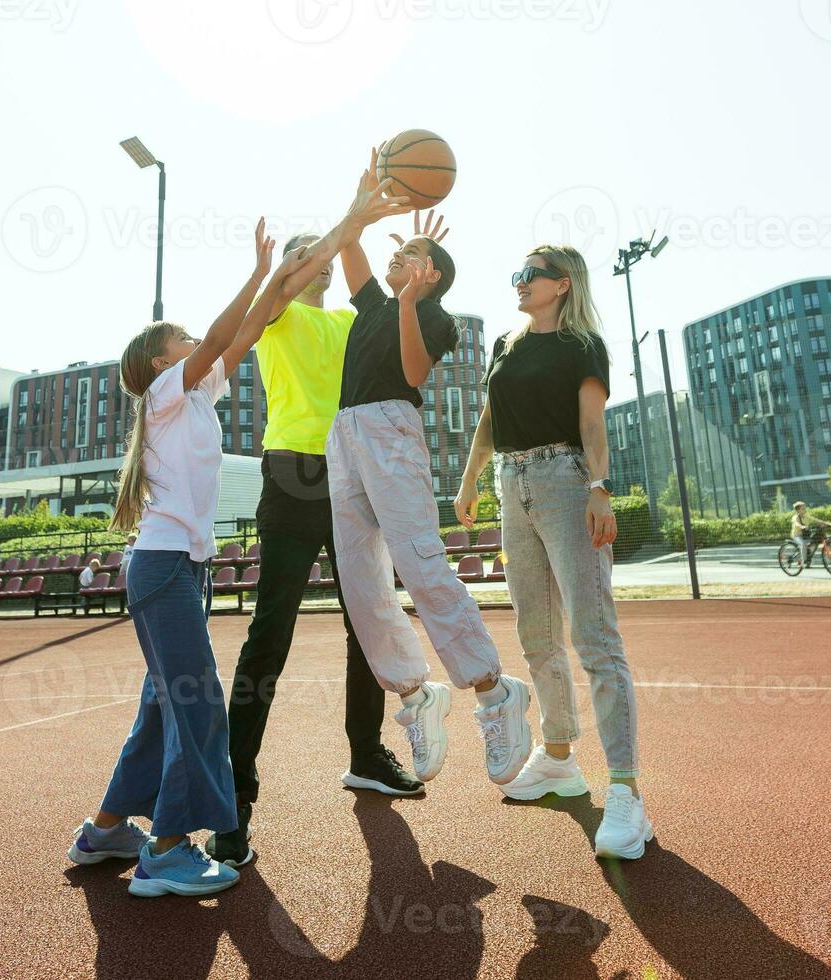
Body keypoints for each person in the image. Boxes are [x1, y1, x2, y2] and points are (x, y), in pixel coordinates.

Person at [67, 219, 316, 897]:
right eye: (178, 340)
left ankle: (108, 829)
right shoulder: (166, 394)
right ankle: (167, 851)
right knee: (197, 700)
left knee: (162, 706)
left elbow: (252, 329)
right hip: (164, 567)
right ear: (160, 361)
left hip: (182, 569)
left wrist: (285, 275)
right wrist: (257, 269)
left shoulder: (197, 395)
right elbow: (217, 337)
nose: (193, 346)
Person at [204, 190, 426, 868]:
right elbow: (285, 284)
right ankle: (234, 794)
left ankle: (365, 751)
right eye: (305, 255)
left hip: (352, 476)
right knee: (272, 628)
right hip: (294, 476)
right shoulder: (275, 317)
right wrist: (349, 221)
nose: (318, 262)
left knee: (369, 616)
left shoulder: (350, 323)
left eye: (320, 254)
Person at [326, 149, 531, 789]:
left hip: (391, 428)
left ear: (433, 274)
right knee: (360, 581)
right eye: (397, 249)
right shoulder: (369, 305)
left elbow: (414, 374)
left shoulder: (433, 317)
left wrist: (412, 302)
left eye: (412, 254)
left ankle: (494, 692)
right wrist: (361, 204)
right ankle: (416, 696)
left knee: (419, 560)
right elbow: (347, 246)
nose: (396, 256)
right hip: (347, 432)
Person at [454, 244, 652, 860]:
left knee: (593, 636)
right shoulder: (506, 344)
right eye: (515, 274)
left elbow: (592, 424)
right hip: (511, 486)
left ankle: (626, 791)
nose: (518, 282)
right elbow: (490, 414)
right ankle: (559, 757)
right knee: (537, 634)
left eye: (529, 275)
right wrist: (469, 477)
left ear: (561, 284)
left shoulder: (582, 345)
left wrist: (599, 488)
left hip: (567, 480)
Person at [791, 501, 831, 567]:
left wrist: (826, 523)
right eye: (803, 508)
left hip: (805, 535)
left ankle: (808, 558)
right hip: (797, 535)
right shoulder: (795, 517)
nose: (805, 509)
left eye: (805, 508)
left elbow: (815, 520)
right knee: (803, 544)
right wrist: (802, 526)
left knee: (816, 541)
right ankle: (803, 560)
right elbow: (796, 523)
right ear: (798, 510)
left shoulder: (806, 516)